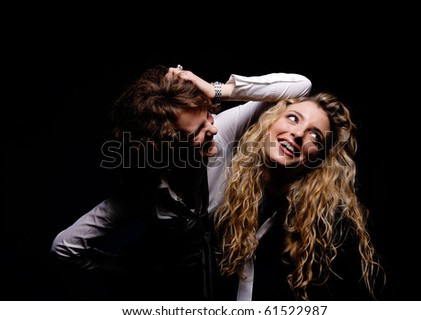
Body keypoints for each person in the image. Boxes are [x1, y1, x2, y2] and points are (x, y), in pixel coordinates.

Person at [50, 64, 312, 300]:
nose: (213, 129)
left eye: (208, 117)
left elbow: (301, 85)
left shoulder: (222, 133)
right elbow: (64, 247)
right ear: (164, 149)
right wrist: (127, 270)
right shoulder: (140, 195)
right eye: (197, 132)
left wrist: (216, 90)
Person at [214, 92, 385, 300]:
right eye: (293, 118)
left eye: (315, 136)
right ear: (270, 121)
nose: (297, 134)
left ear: (318, 158)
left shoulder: (327, 220)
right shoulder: (227, 194)